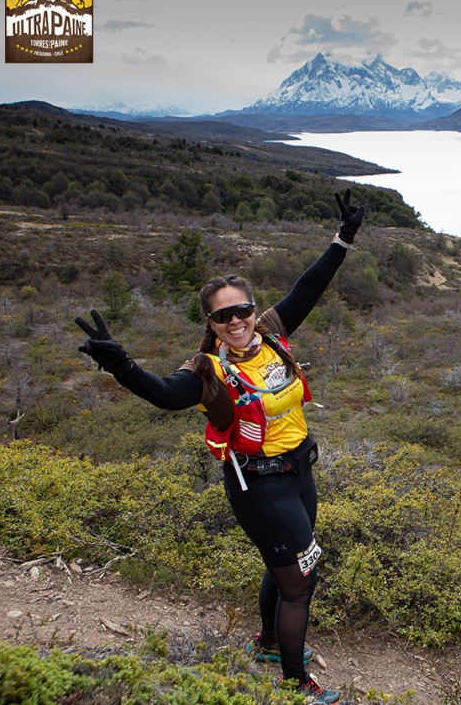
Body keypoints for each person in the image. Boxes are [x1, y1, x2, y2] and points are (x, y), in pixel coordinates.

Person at [75, 190, 364, 704]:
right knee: (301, 580)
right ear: (209, 323)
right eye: (223, 316)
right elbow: (167, 395)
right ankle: (297, 685)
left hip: (300, 472)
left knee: (285, 566)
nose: (236, 321)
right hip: (259, 483)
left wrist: (342, 240)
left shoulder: (271, 333)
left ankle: (270, 642)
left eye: (243, 310)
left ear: (254, 310)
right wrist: (123, 366)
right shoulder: (208, 368)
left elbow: (309, 287)